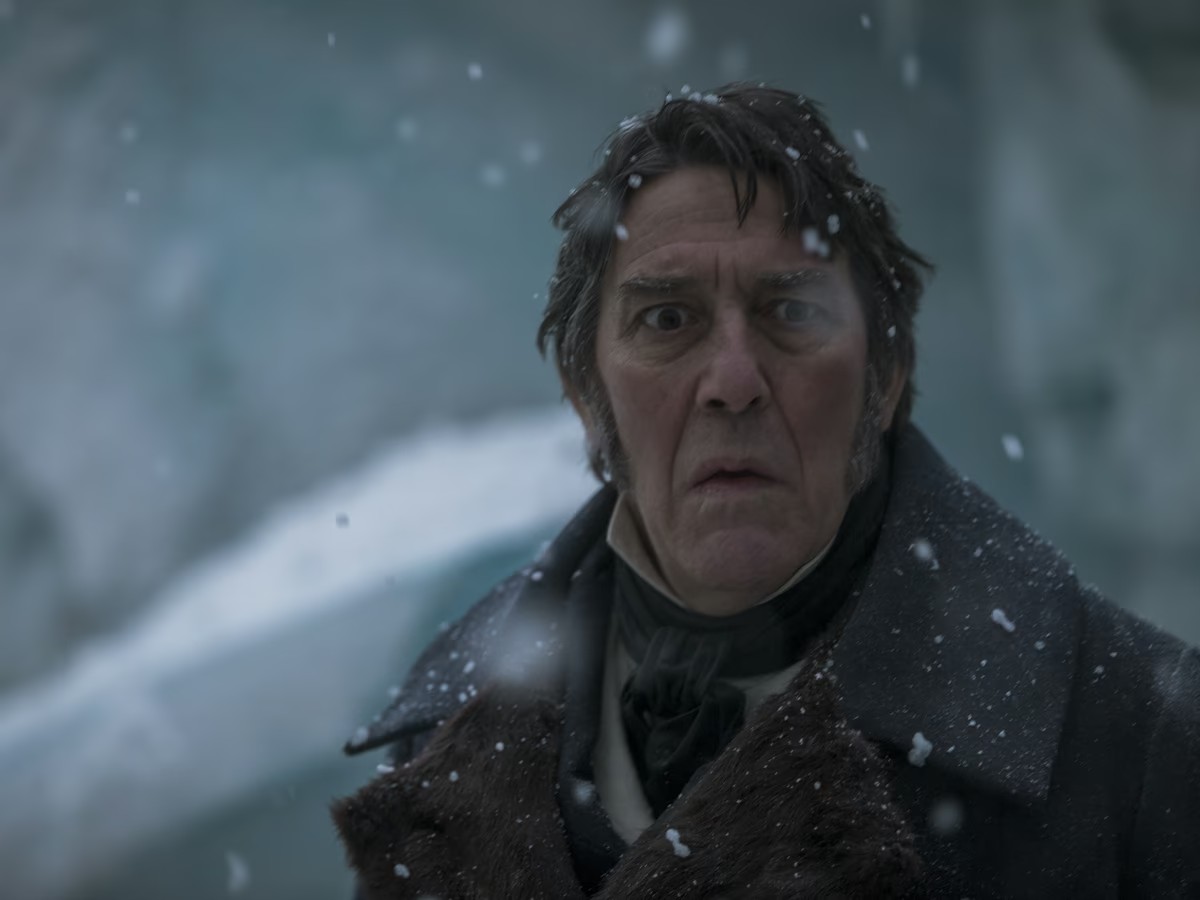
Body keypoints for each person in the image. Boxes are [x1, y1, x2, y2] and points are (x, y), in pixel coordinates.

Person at [331, 83, 1200, 899]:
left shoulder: (1136, 741)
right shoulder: (448, 736)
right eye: (667, 319)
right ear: (587, 399)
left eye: (791, 312)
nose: (733, 383)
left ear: (885, 376)